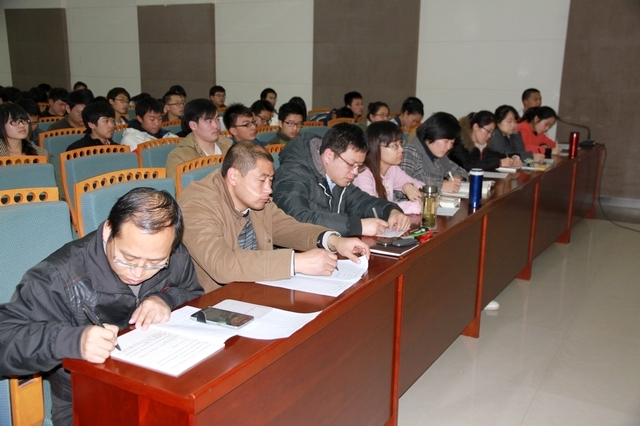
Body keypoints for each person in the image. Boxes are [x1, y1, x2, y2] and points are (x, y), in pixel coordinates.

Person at [0, 188, 203, 425]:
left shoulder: (173, 254)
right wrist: (71, 341)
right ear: (108, 231)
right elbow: (5, 341)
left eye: (155, 263)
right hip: (86, 398)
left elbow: (195, 295)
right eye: (127, 259)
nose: (138, 273)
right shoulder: (58, 277)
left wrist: (166, 299)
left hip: (160, 380)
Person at [178, 141, 370, 291]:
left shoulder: (256, 200)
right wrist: (295, 262)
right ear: (234, 176)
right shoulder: (197, 205)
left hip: (254, 288)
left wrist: (333, 240)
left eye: (270, 180)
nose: (269, 189)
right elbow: (222, 264)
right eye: (262, 180)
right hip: (211, 301)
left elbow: (288, 228)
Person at [273, 123, 411, 237]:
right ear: (329, 155)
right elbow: (297, 220)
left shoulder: (337, 177)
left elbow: (363, 202)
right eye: (351, 164)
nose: (355, 172)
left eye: (359, 166)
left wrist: (391, 211)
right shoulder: (291, 175)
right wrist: (357, 226)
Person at [354, 121, 425, 214]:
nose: (401, 149)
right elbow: (373, 208)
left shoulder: (392, 169)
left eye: (401, 143)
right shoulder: (362, 174)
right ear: (375, 147)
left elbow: (422, 187)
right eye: (394, 146)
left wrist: (407, 185)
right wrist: (415, 206)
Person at [400, 111, 467, 194]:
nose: (449, 147)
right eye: (446, 141)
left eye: (452, 143)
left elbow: (462, 172)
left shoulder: (439, 155)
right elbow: (401, 187)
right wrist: (440, 186)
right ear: (433, 134)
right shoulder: (409, 152)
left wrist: (456, 176)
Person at [165, 98, 232, 178]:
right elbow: (178, 185)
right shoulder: (179, 156)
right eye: (209, 121)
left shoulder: (228, 145)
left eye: (217, 119)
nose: (216, 126)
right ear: (193, 125)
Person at [449, 111, 522, 171]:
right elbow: (469, 166)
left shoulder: (482, 147)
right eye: (488, 131)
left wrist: (515, 157)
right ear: (476, 127)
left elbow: (499, 156)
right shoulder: (459, 144)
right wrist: (499, 163)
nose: (489, 136)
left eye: (492, 133)